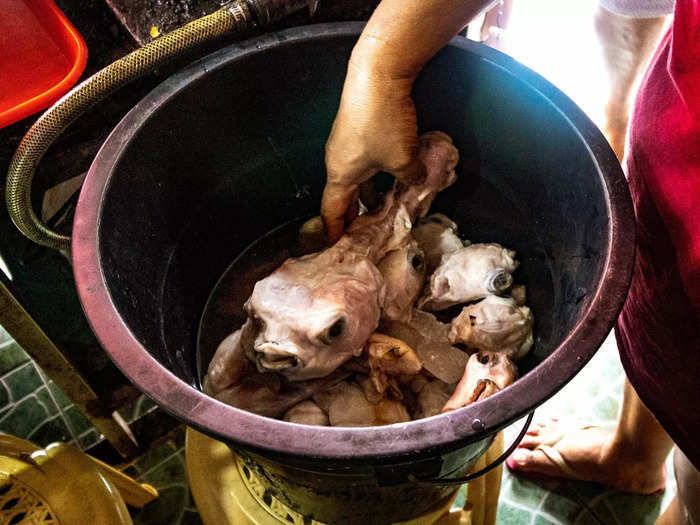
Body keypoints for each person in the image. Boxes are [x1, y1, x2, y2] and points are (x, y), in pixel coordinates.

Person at [320, 1, 700, 523]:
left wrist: (383, 67)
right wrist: (382, 70)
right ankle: (634, 454)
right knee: (663, 318)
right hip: (681, 133)